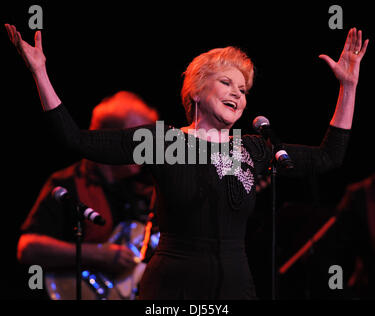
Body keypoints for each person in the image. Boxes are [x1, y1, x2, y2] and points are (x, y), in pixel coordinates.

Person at [5, 23, 369, 299]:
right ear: (196, 89)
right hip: (171, 288)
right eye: (227, 82)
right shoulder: (162, 141)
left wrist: (348, 87)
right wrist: (40, 72)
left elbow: (329, 156)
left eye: (243, 90)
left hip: (235, 287)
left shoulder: (256, 148)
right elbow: (76, 139)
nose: (237, 94)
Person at [17, 90, 159, 299]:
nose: (147, 148)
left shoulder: (145, 186)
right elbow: (27, 248)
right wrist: (97, 254)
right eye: (139, 139)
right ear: (110, 139)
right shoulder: (66, 183)